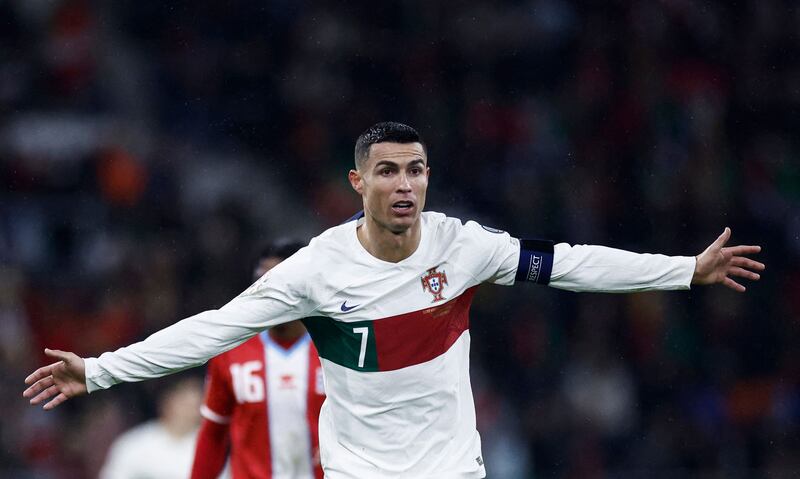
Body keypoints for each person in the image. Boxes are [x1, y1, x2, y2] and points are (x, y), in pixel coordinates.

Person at [24, 122, 765, 478]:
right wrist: (100, 370)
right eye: (387, 171)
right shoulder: (316, 269)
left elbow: (569, 263)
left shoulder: (463, 246)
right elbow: (213, 330)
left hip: (452, 469)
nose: (405, 184)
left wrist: (682, 270)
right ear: (358, 184)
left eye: (415, 170)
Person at [191, 241, 325, 479]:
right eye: (261, 281)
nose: (267, 292)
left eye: (277, 281)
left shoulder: (334, 347)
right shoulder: (231, 350)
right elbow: (213, 432)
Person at [99, 376, 203, 479]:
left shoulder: (207, 446)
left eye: (194, 406)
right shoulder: (135, 443)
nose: (188, 412)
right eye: (184, 404)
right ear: (167, 402)